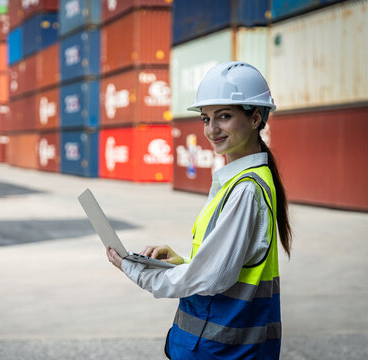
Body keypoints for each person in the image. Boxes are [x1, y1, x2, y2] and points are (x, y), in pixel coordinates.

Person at [106, 61, 292, 359]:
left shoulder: (245, 189)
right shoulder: (244, 181)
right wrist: (183, 262)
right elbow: (228, 264)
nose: (212, 129)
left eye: (225, 116)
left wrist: (137, 271)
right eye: (206, 118)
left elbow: (211, 278)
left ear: (256, 117)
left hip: (223, 351)